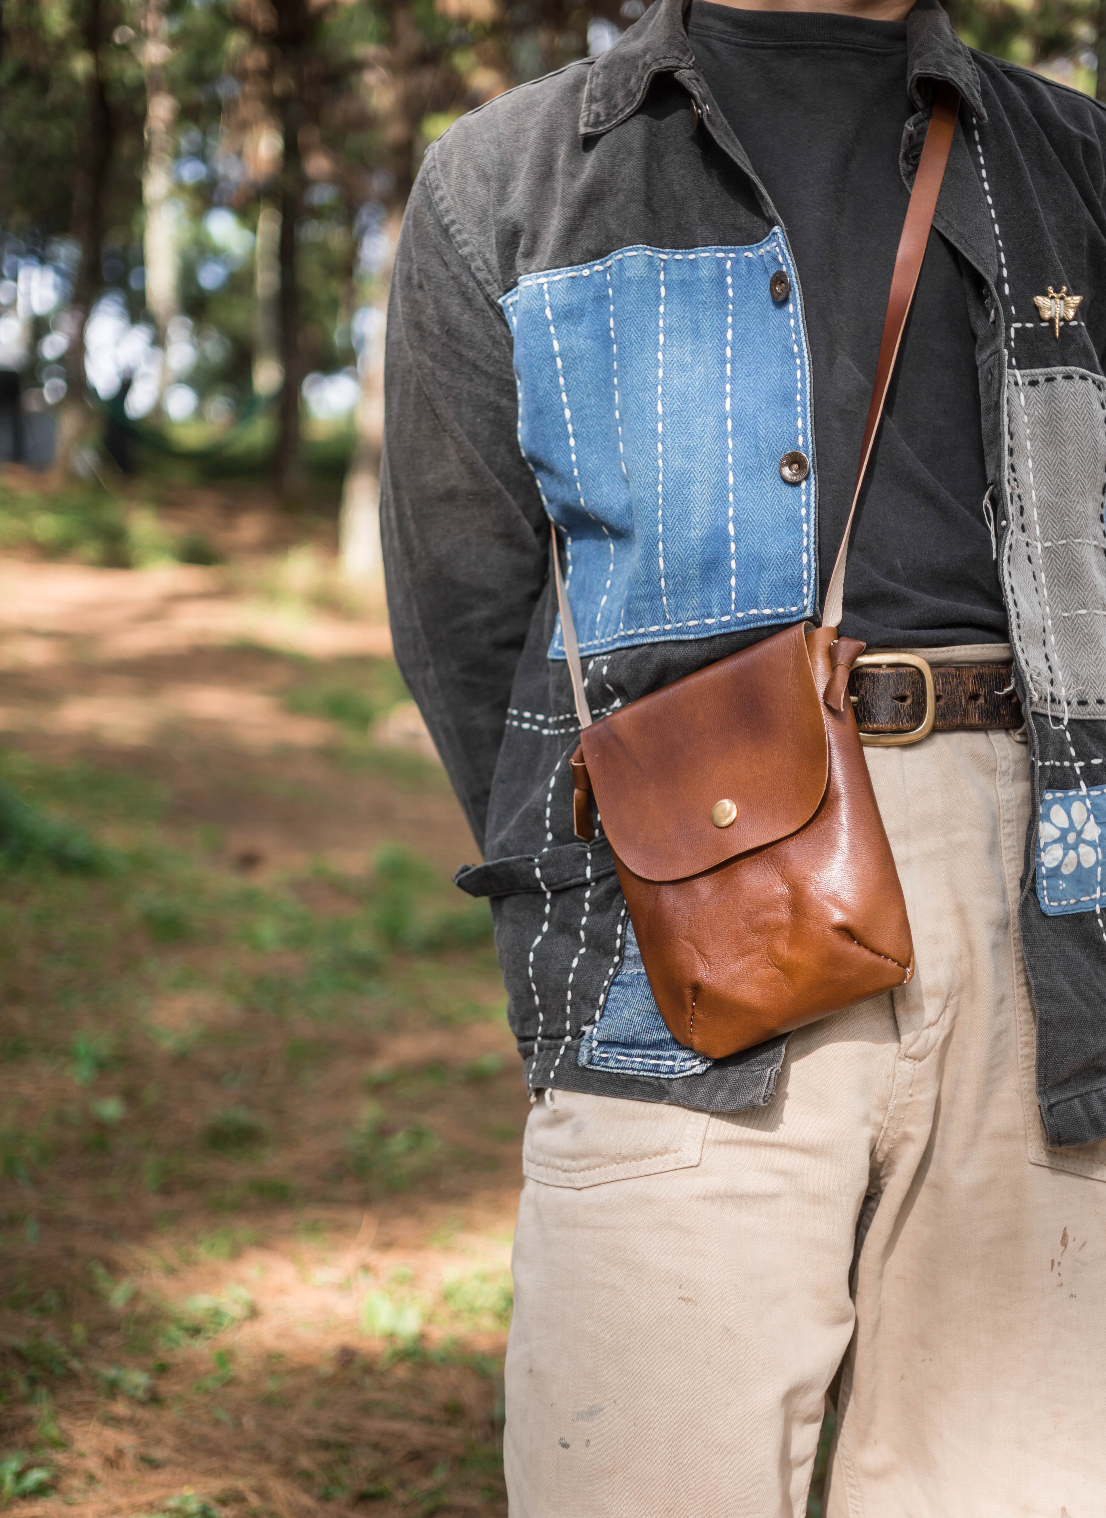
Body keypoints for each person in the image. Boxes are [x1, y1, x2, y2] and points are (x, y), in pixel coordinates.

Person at [381, 0, 1106, 1508]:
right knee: (642, 1469)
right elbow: (465, 613)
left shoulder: (1075, 161)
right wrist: (632, 850)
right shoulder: (512, 176)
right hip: (678, 899)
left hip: (1058, 913)